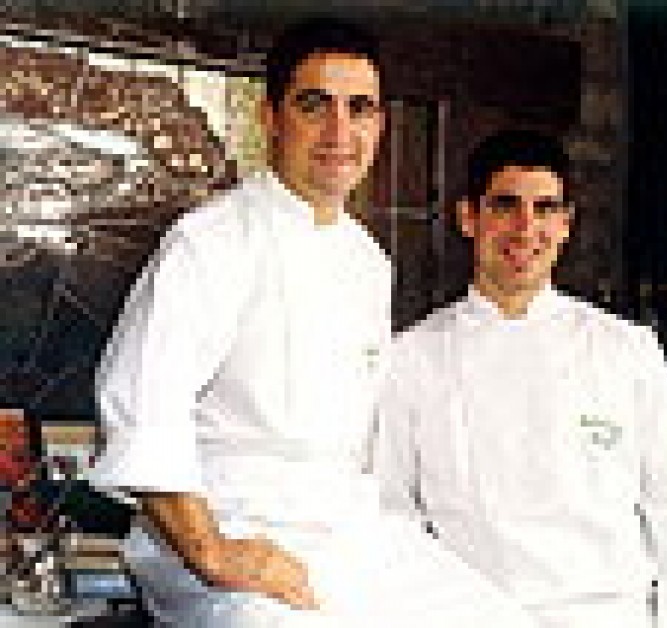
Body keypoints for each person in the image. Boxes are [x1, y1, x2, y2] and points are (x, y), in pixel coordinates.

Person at [86, 18, 534, 628]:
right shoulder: (210, 243)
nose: (339, 132)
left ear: (380, 125)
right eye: (314, 105)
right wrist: (212, 552)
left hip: (350, 533)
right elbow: (142, 407)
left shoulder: (368, 261)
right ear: (269, 117)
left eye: (360, 109)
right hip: (230, 533)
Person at [375, 129, 667, 628]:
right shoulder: (413, 358)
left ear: (565, 224)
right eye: (505, 206)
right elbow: (393, 518)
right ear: (468, 218)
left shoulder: (626, 351)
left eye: (545, 209)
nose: (526, 229)